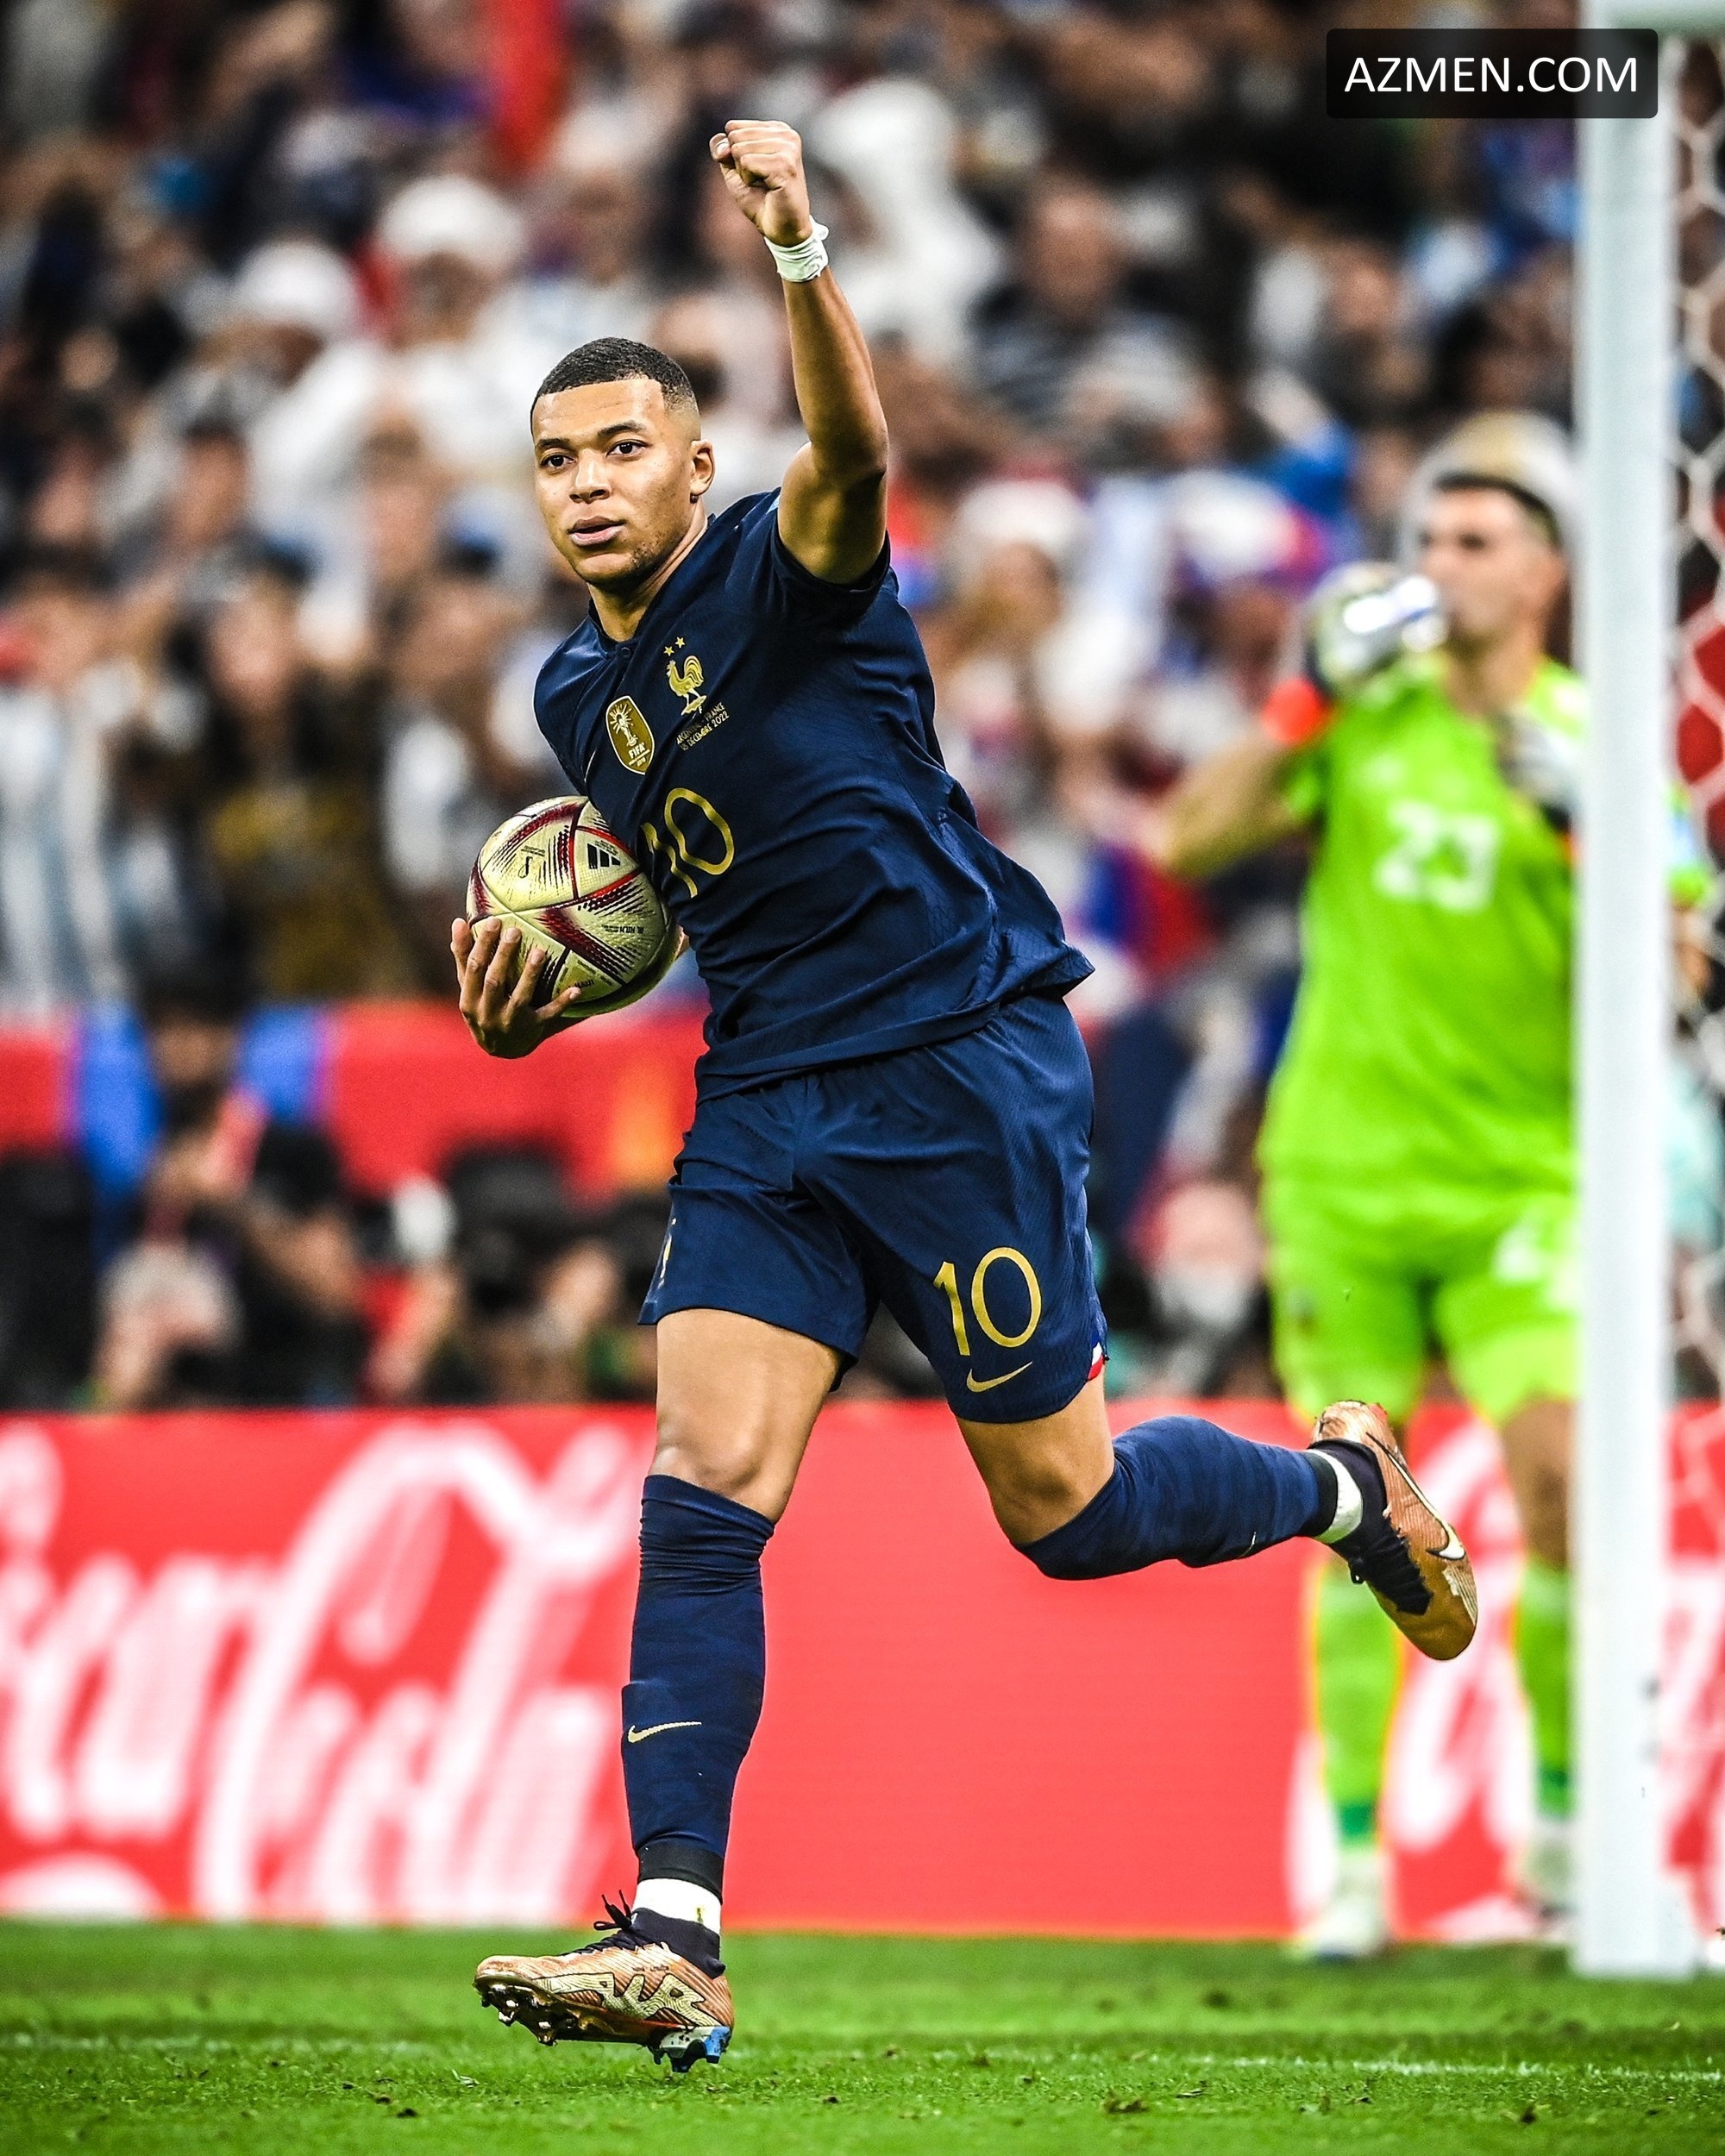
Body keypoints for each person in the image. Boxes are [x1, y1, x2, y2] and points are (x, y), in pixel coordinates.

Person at [455, 121, 1477, 2071]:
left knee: (1065, 1512)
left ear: (693, 465)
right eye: (558, 460)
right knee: (701, 1486)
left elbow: (851, 454)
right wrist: (535, 1005)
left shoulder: (784, 566)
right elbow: (682, 901)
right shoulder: (573, 704)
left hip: (954, 1061)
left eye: (622, 450)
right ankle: (674, 1926)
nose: (587, 485)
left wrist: (798, 249)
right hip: (768, 1094)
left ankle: (1345, 1488)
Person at [1151, 413, 1606, 1955]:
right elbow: (1186, 838)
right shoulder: (1367, 712)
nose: (1442, 564)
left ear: (1544, 572)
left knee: (1564, 1483)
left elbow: (1686, 959)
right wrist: (1305, 696)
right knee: (1359, 1500)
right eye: (1430, 538)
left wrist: (1588, 827)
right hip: (1342, 1174)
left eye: (1478, 540)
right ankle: (1349, 1864)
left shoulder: (1593, 746)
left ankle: (1561, 1838)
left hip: (1523, 1184)